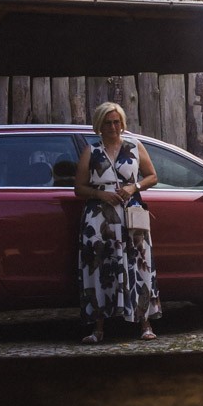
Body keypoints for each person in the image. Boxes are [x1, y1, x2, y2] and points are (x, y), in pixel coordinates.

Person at [74, 100, 161, 343]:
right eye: (107, 122)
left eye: (116, 122)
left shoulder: (134, 146)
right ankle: (98, 329)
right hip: (100, 218)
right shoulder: (91, 152)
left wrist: (135, 186)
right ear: (99, 125)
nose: (113, 127)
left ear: (122, 123)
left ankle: (145, 324)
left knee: (139, 265)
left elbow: (153, 176)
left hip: (131, 216)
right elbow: (78, 188)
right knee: (101, 267)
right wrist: (100, 193)